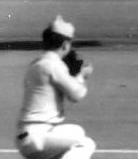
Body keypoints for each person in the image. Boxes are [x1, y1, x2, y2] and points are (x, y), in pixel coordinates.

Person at [15, 15, 95, 159]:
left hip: (26, 135)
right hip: (39, 136)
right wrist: (81, 76)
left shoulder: (36, 63)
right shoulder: (53, 65)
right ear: (64, 45)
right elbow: (77, 95)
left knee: (77, 132)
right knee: (85, 144)